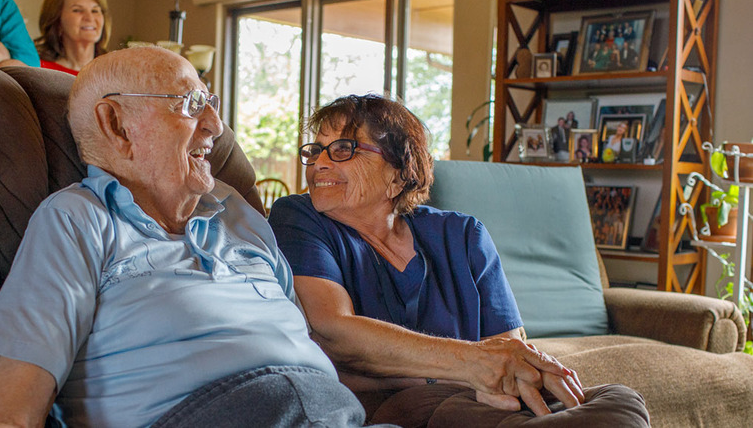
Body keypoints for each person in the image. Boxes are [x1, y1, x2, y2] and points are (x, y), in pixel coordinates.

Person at [0, 47, 386, 427]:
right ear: (116, 125)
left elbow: (307, 344)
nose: (215, 126)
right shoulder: (75, 220)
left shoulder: (238, 211)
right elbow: (9, 412)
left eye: (210, 103)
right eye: (191, 104)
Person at [268, 94, 650, 427]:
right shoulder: (299, 219)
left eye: (342, 149)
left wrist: (411, 369)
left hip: (484, 400)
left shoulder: (462, 234)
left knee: (620, 400)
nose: (318, 163)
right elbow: (334, 332)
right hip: (399, 410)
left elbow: (508, 351)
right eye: (315, 150)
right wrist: (466, 365)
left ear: (399, 173)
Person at [35, 0, 111, 75]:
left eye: (95, 10)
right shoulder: (39, 69)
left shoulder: (114, 71)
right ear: (57, 20)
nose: (90, 18)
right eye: (77, 10)